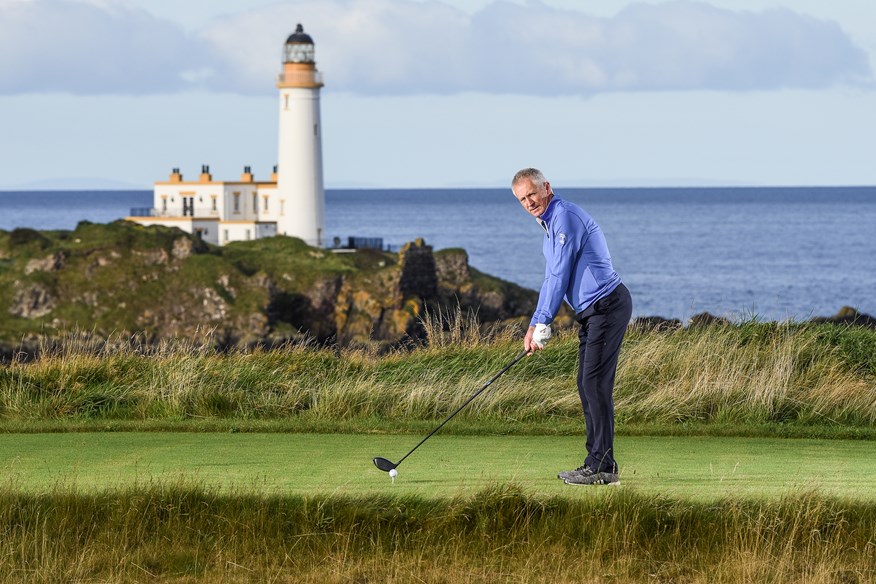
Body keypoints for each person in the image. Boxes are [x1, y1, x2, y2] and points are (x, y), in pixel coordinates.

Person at [511, 168, 632, 486]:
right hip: (592, 313)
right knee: (586, 383)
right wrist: (535, 324)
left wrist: (543, 323)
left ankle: (604, 468)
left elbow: (561, 273)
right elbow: (551, 278)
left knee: (594, 385)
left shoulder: (564, 217)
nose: (529, 202)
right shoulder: (549, 225)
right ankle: (595, 463)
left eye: (532, 194)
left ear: (546, 188)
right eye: (522, 199)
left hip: (607, 305)